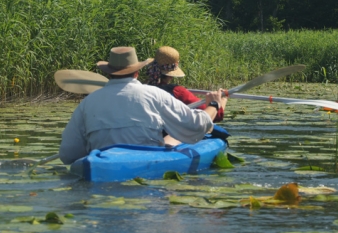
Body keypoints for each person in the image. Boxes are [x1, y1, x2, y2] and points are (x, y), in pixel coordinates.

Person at [59, 46, 224, 165]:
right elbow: (197, 127)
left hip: (101, 164)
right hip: (146, 163)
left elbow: (68, 155)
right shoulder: (155, 94)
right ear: (137, 72)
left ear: (108, 73)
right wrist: (215, 104)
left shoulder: (87, 103)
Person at [146, 46, 227, 122]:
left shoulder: (145, 89)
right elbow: (216, 116)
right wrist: (223, 99)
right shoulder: (178, 92)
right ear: (171, 75)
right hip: (170, 134)